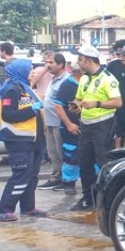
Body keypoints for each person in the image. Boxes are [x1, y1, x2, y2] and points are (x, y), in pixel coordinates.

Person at [0, 59, 49, 221]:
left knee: (32, 176)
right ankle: (4, 210)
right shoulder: (11, 90)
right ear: (21, 71)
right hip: (19, 140)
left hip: (34, 140)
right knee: (20, 175)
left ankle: (28, 208)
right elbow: (8, 115)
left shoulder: (25, 88)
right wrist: (33, 109)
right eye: (30, 70)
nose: (33, 73)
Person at [69, 45, 121, 211]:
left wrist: (97, 103)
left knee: (104, 163)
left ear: (88, 60)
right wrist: (75, 106)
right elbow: (78, 98)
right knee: (84, 162)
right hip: (86, 125)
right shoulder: (84, 78)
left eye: (80, 60)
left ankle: (111, 198)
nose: (78, 63)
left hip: (103, 125)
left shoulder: (108, 78)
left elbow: (118, 102)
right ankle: (87, 197)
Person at [37, 54, 71, 190]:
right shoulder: (53, 79)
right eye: (46, 62)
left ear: (61, 64)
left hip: (60, 123)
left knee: (61, 153)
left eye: (51, 62)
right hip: (50, 122)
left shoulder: (66, 80)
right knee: (52, 153)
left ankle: (66, 179)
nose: (47, 65)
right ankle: (56, 177)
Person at [49, 59, 82, 196]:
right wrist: (68, 124)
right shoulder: (68, 85)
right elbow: (58, 106)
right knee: (70, 155)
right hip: (71, 127)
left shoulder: (90, 83)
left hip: (89, 126)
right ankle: (69, 182)